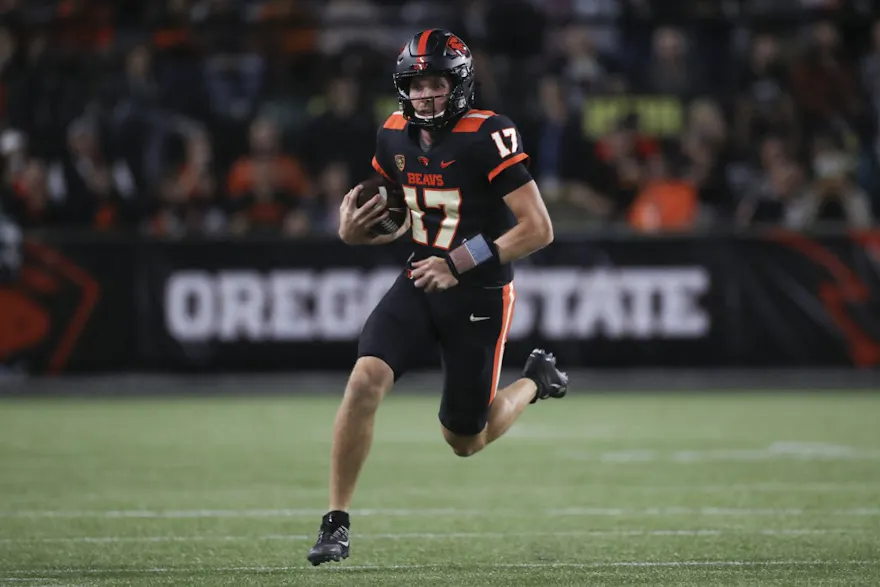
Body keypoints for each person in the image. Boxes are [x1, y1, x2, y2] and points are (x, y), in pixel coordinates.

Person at [307, 29, 569, 566]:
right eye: (417, 84)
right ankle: (336, 522)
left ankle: (534, 384)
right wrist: (358, 233)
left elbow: (538, 228)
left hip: (478, 292)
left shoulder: (488, 133)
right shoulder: (393, 133)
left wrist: (457, 263)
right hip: (422, 275)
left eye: (437, 83)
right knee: (364, 379)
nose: (426, 94)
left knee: (464, 439)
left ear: (460, 84)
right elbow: (400, 214)